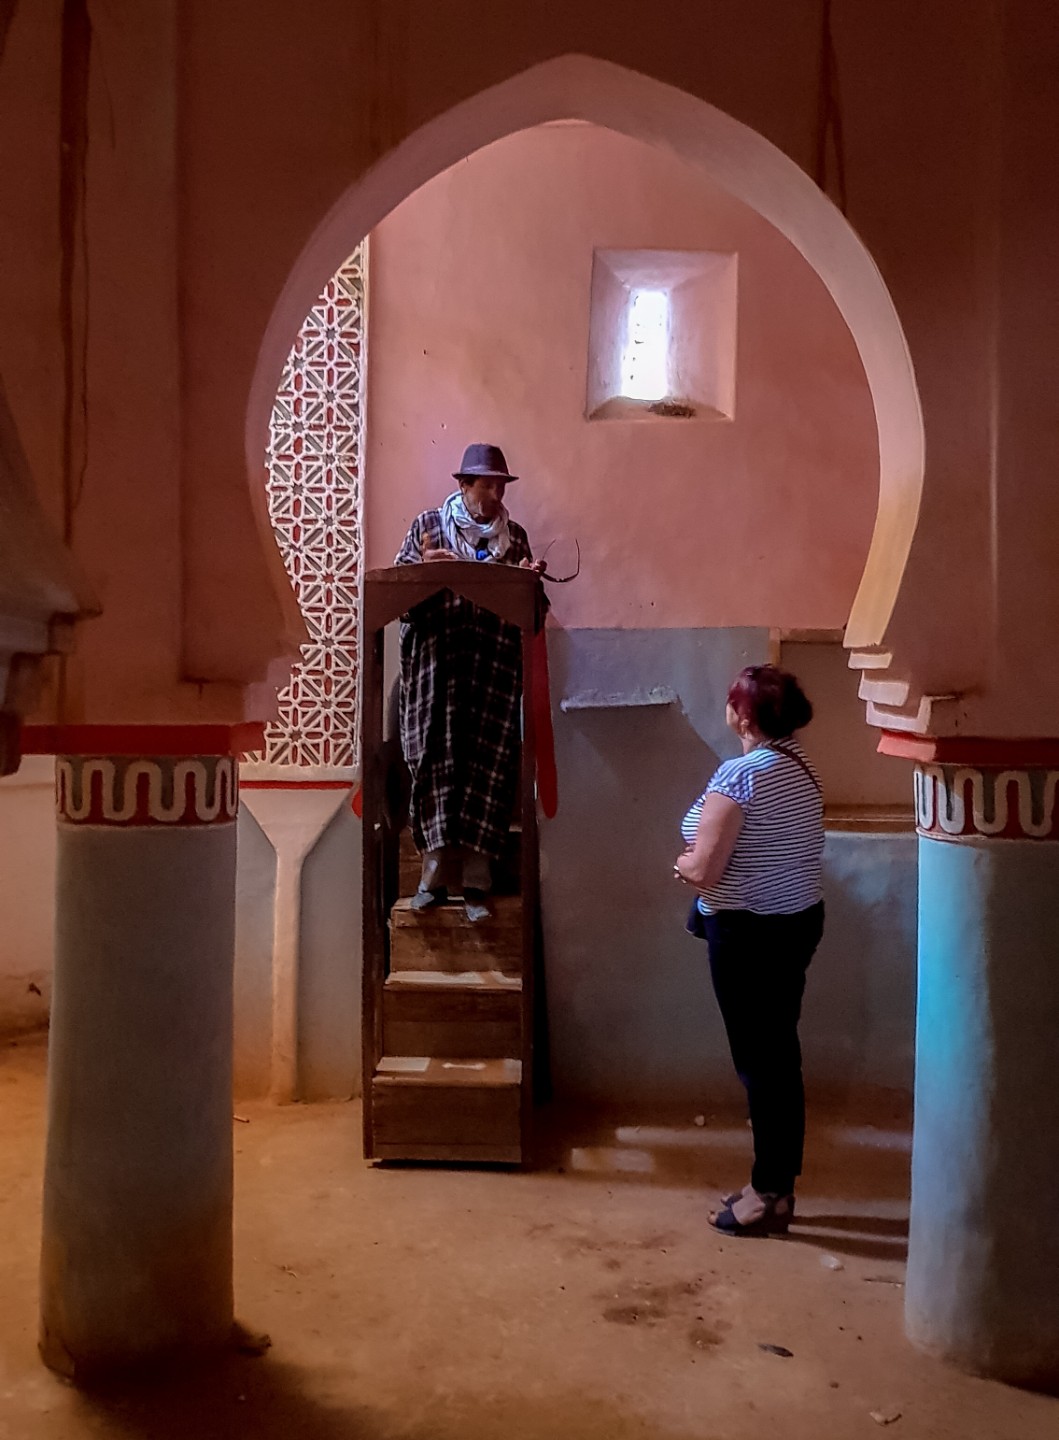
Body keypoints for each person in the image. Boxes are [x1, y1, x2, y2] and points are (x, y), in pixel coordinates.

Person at [675, 665, 825, 1236]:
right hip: (794, 925)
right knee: (778, 1057)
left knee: (762, 1064)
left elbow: (704, 868)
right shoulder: (800, 767)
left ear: (742, 715)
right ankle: (776, 1184)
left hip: (749, 935)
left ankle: (769, 1194)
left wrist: (682, 865)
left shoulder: (740, 775)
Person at [394, 444, 544, 922]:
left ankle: (478, 885)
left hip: (491, 679)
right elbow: (399, 601)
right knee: (435, 770)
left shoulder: (514, 541)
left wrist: (528, 584)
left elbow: (534, 614)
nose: (496, 495)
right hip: (437, 678)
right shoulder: (427, 527)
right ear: (463, 485)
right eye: (487, 485)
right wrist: (424, 574)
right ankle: (432, 880)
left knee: (487, 772)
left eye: (501, 486)